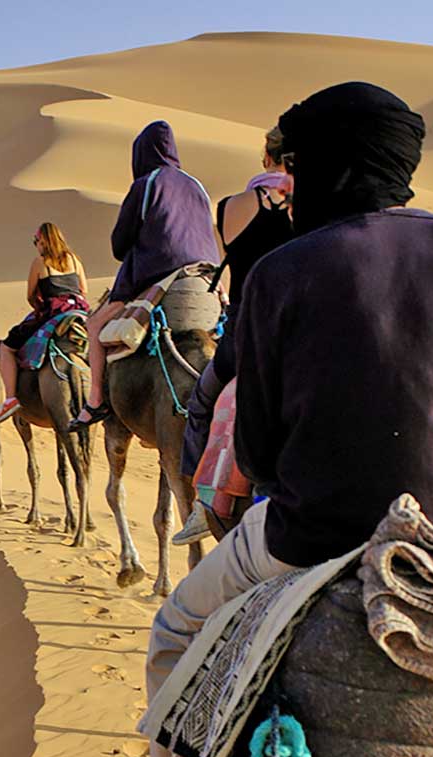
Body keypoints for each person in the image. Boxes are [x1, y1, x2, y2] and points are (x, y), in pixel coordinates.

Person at [147, 81, 433, 757]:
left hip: (316, 536)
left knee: (173, 632)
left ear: (330, 168)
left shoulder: (282, 270)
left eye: (299, 169)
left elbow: (257, 451)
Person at [175, 128, 294, 545]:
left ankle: (203, 502)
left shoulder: (234, 206)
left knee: (202, 402)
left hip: (249, 332)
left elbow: (225, 252)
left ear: (266, 157)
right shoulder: (317, 202)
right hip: (305, 328)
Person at [68, 120, 218, 430]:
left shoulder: (148, 183)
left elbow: (120, 243)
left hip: (160, 275)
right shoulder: (196, 185)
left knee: (95, 327)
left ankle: (95, 400)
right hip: (206, 280)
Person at [0, 223, 89, 424]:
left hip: (52, 312)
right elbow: (83, 290)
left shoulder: (40, 263)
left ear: (44, 241)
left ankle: (11, 398)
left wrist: (40, 307)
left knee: (7, 347)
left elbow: (30, 295)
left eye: (36, 241)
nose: (36, 245)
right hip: (80, 313)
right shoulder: (75, 260)